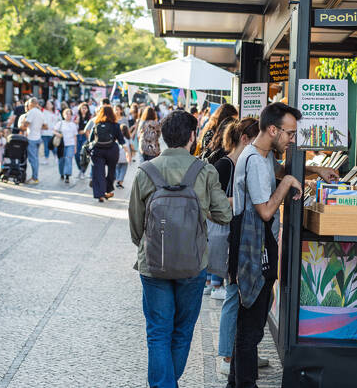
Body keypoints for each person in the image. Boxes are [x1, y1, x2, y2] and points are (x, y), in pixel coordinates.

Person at [228, 102, 338, 387]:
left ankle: (234, 383)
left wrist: (315, 169)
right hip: (252, 250)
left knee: (249, 324)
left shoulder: (263, 155)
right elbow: (265, 210)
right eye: (289, 133)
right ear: (273, 129)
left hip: (259, 247)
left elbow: (278, 170)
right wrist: (288, 181)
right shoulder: (254, 159)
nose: (291, 139)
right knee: (250, 329)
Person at [128, 110, 232, 388]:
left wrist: (152, 245)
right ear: (192, 136)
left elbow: (136, 225)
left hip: (153, 264)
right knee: (182, 331)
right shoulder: (205, 170)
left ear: (163, 137)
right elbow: (224, 215)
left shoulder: (145, 172)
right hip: (192, 264)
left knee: (158, 333)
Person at [211, 117, 265, 375]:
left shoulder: (246, 163)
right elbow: (214, 201)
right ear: (245, 138)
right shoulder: (225, 164)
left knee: (240, 295)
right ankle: (226, 357)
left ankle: (241, 353)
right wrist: (245, 199)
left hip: (240, 235)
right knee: (233, 294)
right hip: (229, 237)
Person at [89, 105, 128, 202]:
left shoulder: (96, 124)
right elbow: (121, 140)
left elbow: (90, 140)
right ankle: (108, 190)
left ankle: (100, 194)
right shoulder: (115, 125)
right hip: (112, 151)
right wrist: (127, 151)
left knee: (98, 172)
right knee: (111, 171)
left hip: (97, 151)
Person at [19, 97, 46, 184]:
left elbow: (25, 126)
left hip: (32, 138)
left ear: (31, 104)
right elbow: (46, 126)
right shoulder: (40, 112)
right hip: (38, 137)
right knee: (36, 159)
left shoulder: (32, 112)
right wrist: (37, 126)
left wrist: (22, 124)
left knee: (33, 159)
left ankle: (35, 178)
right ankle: (35, 177)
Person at [54, 108, 78, 183]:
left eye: (69, 114)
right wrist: (58, 134)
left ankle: (67, 175)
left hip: (70, 144)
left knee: (68, 159)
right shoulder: (60, 123)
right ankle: (61, 173)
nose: (68, 115)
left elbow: (75, 136)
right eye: (66, 114)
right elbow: (54, 131)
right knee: (61, 160)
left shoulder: (73, 125)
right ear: (63, 115)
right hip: (61, 145)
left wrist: (75, 147)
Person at [75, 103, 91, 179]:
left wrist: (84, 132)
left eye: (85, 108)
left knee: (85, 155)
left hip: (86, 137)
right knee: (77, 154)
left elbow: (90, 129)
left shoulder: (89, 118)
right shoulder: (77, 117)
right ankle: (80, 169)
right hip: (78, 137)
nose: (84, 110)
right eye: (82, 108)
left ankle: (82, 171)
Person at [41, 100, 58, 164]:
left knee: (53, 146)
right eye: (47, 104)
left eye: (49, 104)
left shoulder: (56, 112)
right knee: (46, 146)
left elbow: (59, 121)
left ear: (52, 105)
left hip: (53, 132)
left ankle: (56, 156)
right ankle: (46, 158)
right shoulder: (44, 112)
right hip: (45, 132)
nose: (47, 105)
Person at [115, 124, 131, 189]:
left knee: (117, 169)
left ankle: (118, 179)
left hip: (117, 156)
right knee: (123, 170)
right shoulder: (128, 138)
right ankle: (120, 182)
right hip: (125, 157)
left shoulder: (116, 139)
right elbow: (131, 146)